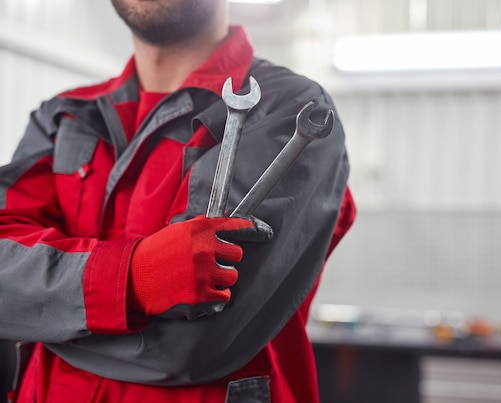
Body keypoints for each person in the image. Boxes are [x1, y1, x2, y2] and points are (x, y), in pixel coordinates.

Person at [0, 0, 356, 402]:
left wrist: (41, 312)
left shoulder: (288, 112)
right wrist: (136, 278)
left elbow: (188, 345)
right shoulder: (63, 116)